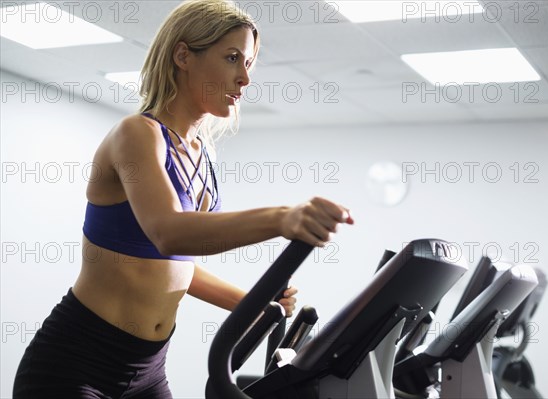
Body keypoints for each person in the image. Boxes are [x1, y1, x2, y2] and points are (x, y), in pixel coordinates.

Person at [12, 0, 353, 398]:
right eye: (232, 58)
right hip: (76, 362)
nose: (245, 78)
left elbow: (173, 267)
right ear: (183, 55)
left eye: (249, 64)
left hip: (147, 370)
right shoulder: (137, 135)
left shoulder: (200, 154)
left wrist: (254, 304)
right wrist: (282, 218)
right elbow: (168, 233)